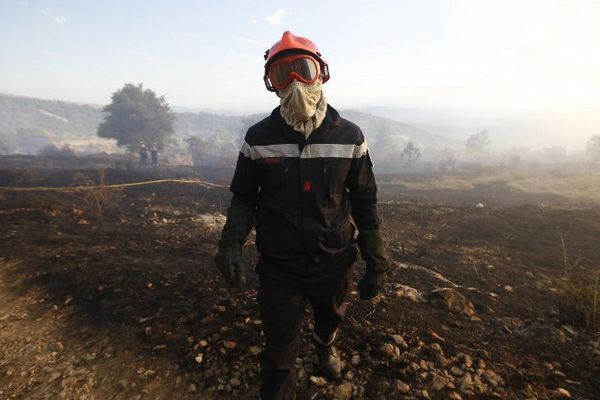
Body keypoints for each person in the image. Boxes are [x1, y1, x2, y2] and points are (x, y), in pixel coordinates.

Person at [215, 31, 390, 400]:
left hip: (335, 259)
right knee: (278, 354)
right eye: (283, 74)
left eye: (302, 70)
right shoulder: (258, 138)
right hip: (280, 265)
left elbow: (364, 200)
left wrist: (376, 257)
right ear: (272, 85)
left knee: (330, 319)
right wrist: (231, 242)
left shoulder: (350, 137)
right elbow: (244, 197)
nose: (294, 82)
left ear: (321, 74)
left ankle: (324, 345)